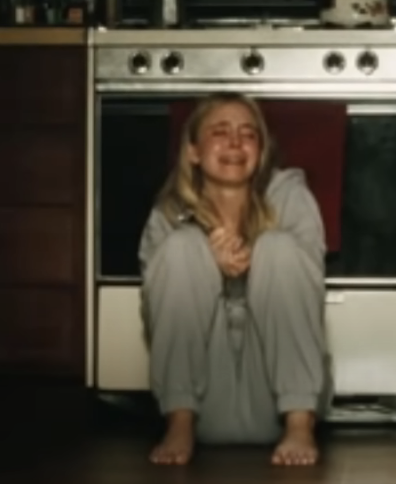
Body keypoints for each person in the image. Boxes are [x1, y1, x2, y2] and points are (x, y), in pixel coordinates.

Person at [138, 92, 330, 466]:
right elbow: (156, 306)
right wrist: (204, 251)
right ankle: (178, 424)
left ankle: (300, 427)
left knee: (279, 247)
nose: (235, 143)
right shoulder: (168, 212)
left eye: (248, 133)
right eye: (219, 132)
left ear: (260, 151)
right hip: (200, 402)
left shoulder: (290, 195)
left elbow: (308, 284)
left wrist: (252, 259)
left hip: (279, 400)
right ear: (193, 151)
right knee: (180, 248)